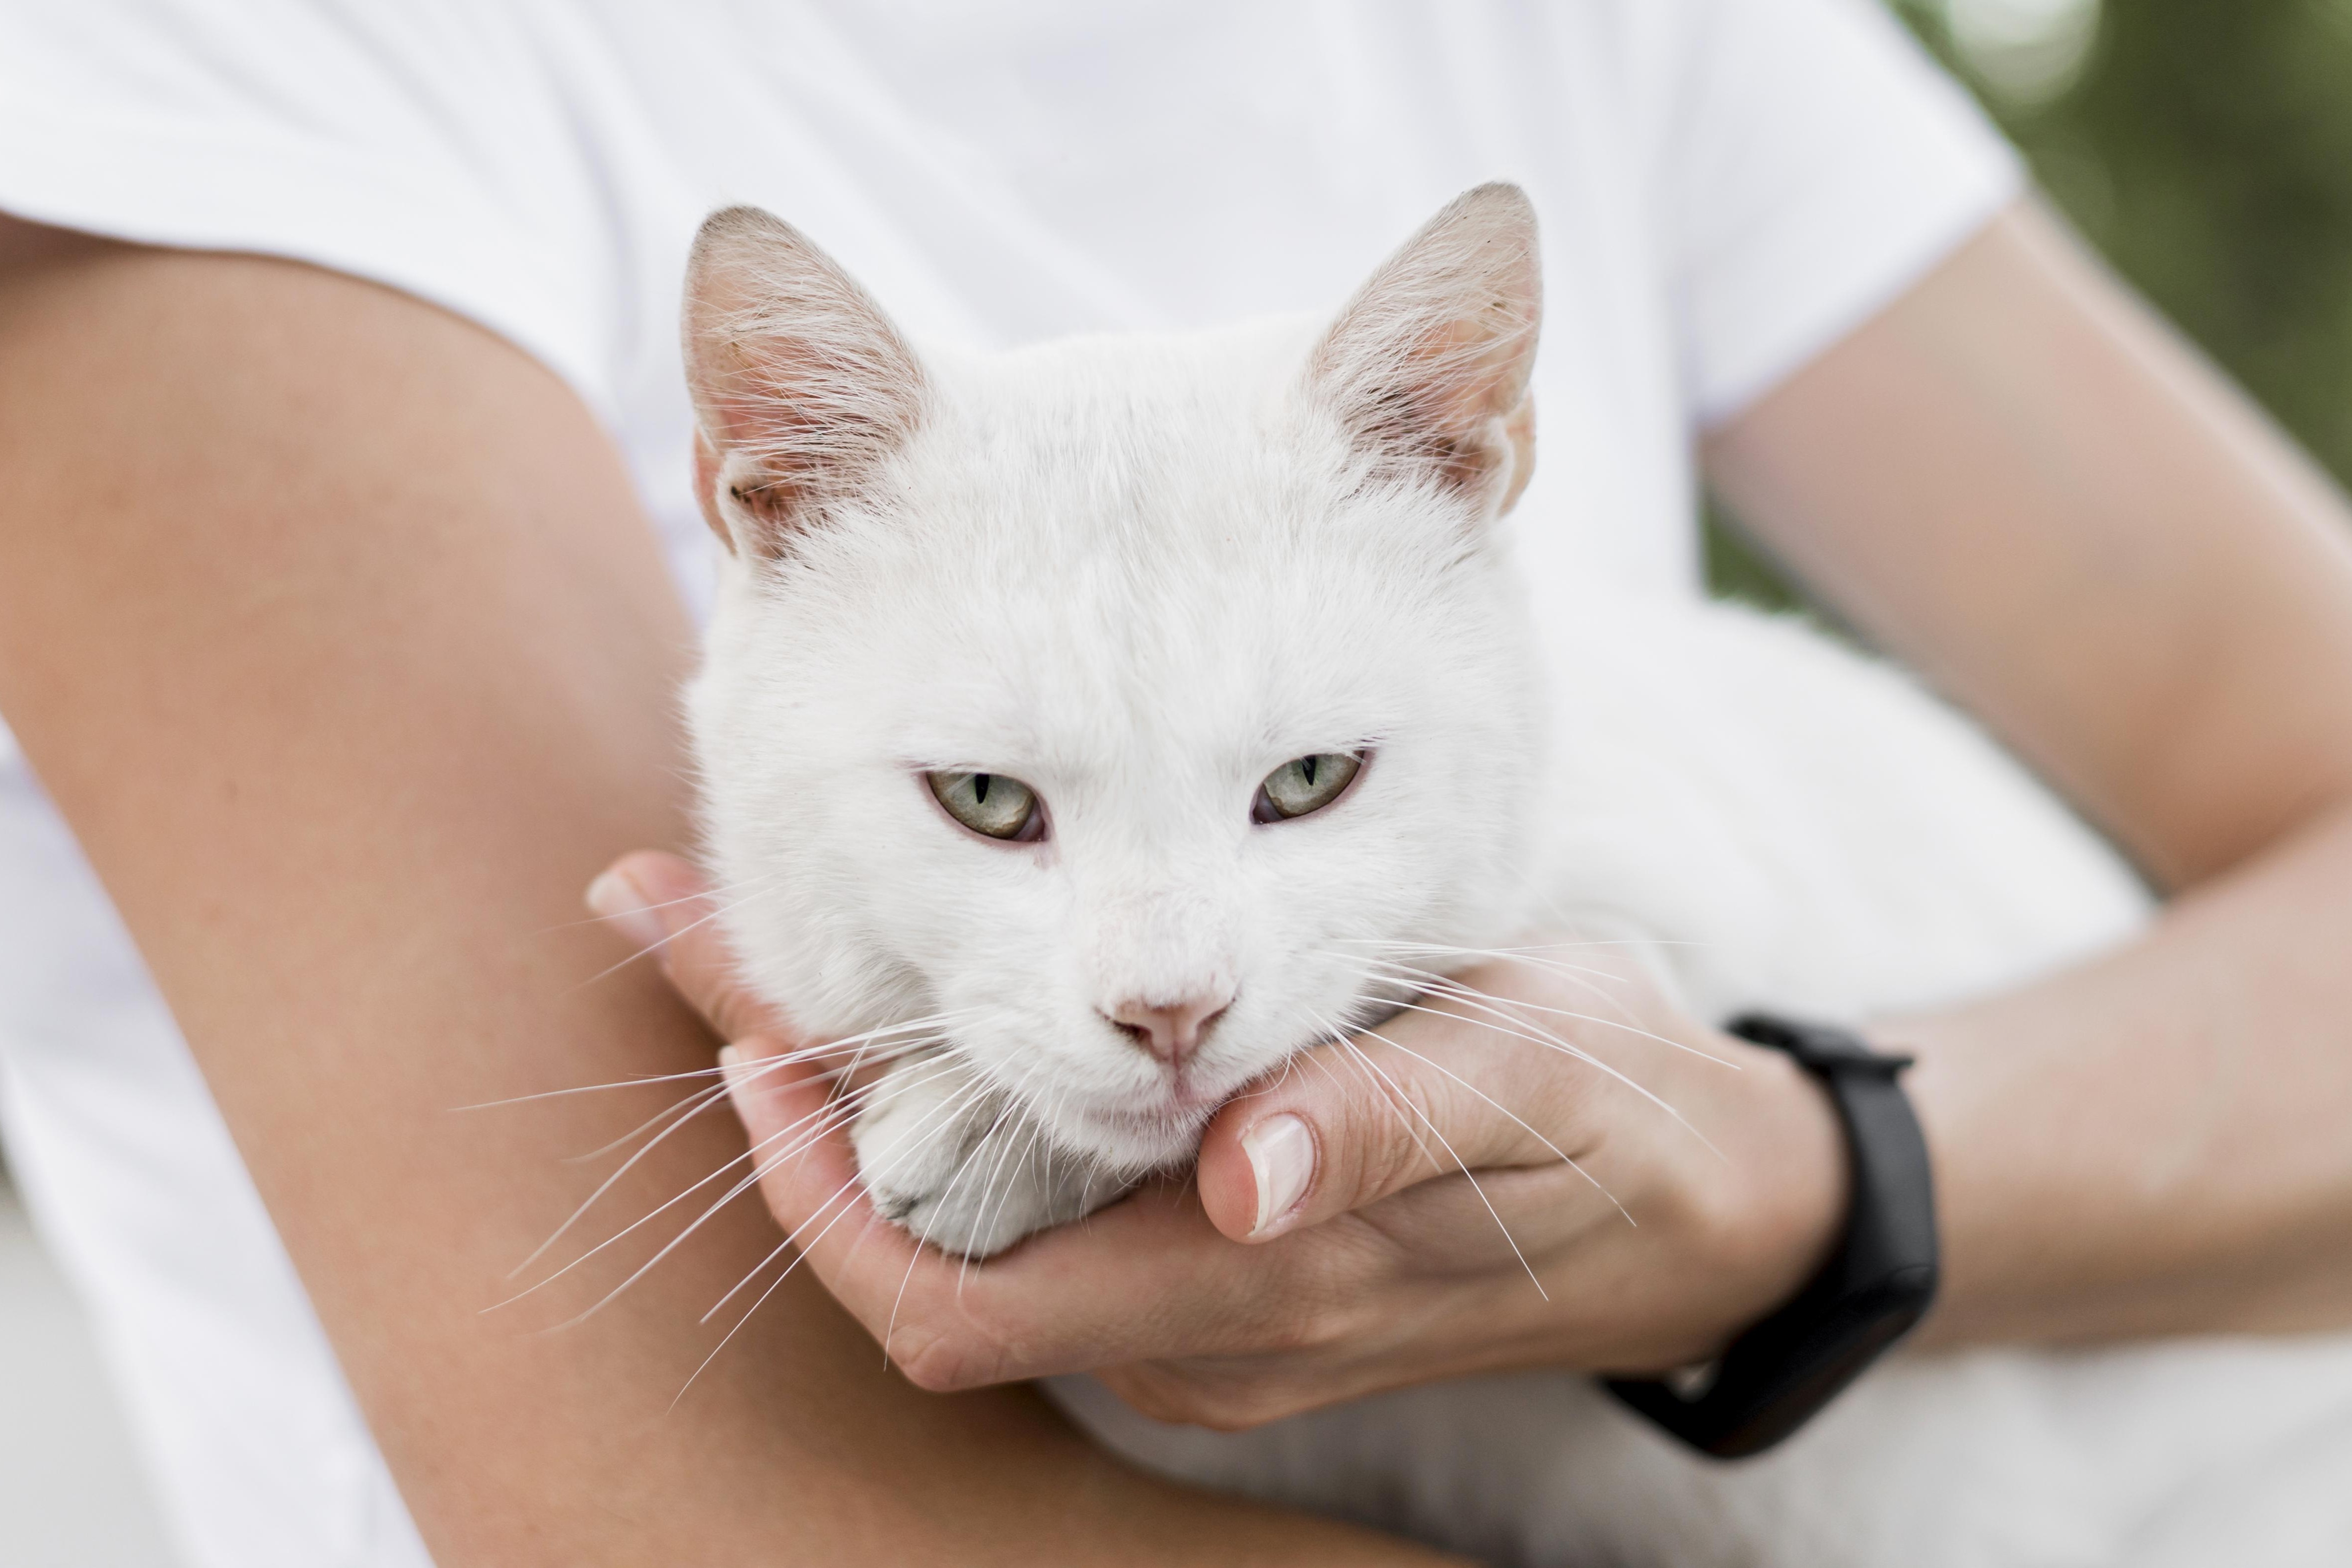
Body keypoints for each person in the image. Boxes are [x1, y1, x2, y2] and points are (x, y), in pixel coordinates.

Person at [1, 1, 2349, 1563]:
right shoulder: (197, 64)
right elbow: (689, 1523)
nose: (1160, 985)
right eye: (997, 805)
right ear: (766, 498)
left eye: (1305, 779)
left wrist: (1798, 1179)